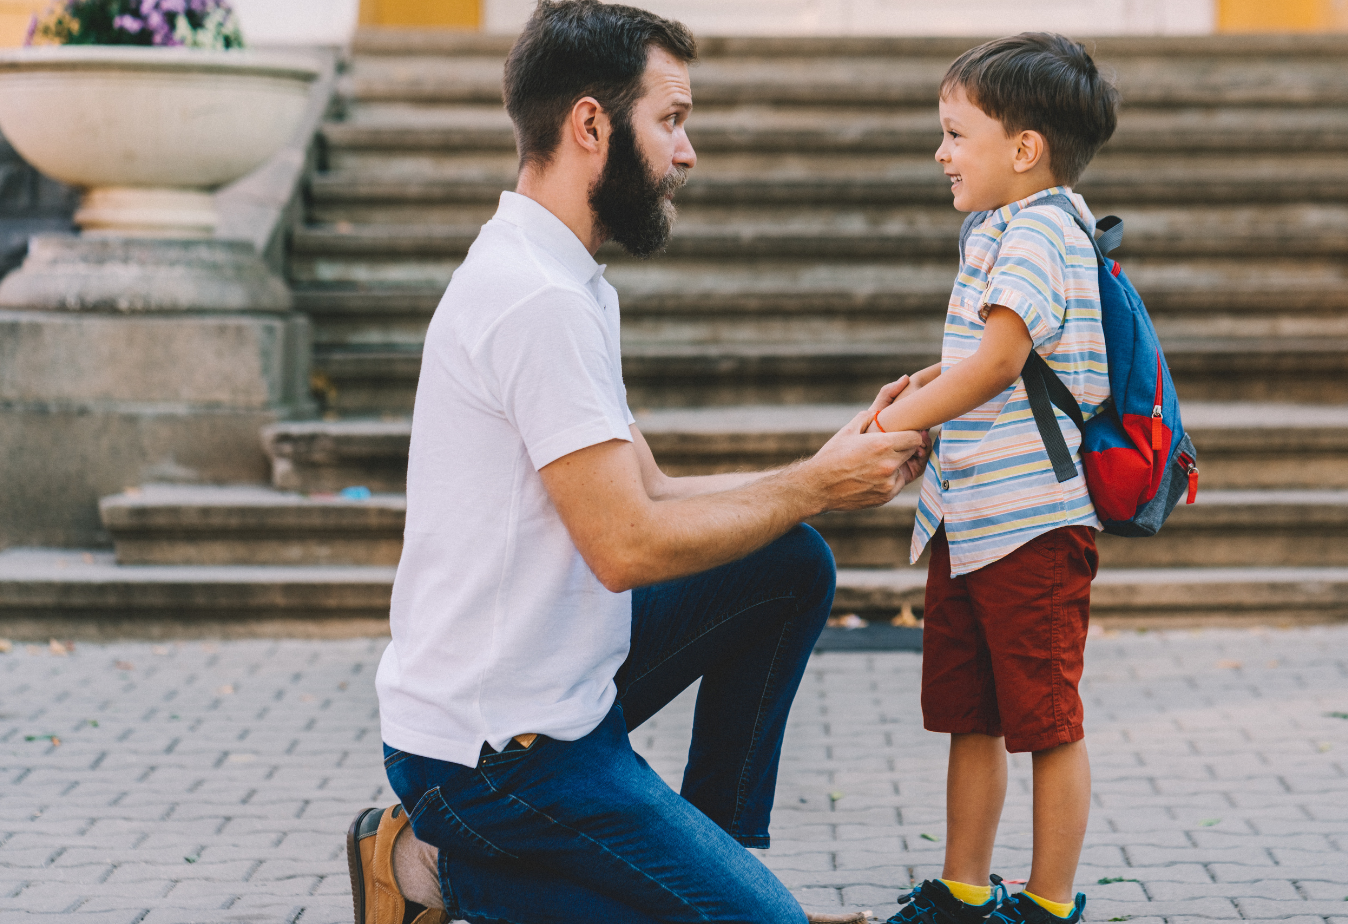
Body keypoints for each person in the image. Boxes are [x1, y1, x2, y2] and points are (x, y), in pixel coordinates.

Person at [342, 3, 930, 923]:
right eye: (672, 120)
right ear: (590, 124)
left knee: (789, 560)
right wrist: (812, 485)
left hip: (556, 691)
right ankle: (425, 866)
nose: (686, 152)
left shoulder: (563, 276)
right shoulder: (536, 301)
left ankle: (706, 862)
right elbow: (627, 547)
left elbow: (647, 493)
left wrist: (822, 471)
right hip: (493, 756)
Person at [867, 34, 1119, 924]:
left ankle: (1049, 904)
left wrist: (897, 424)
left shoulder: (1046, 228)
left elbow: (1001, 362)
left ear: (1024, 149)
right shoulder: (1001, 229)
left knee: (1047, 720)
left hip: (1032, 525)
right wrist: (911, 395)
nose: (940, 152)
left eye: (954, 133)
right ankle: (965, 889)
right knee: (971, 714)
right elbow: (973, 362)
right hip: (969, 519)